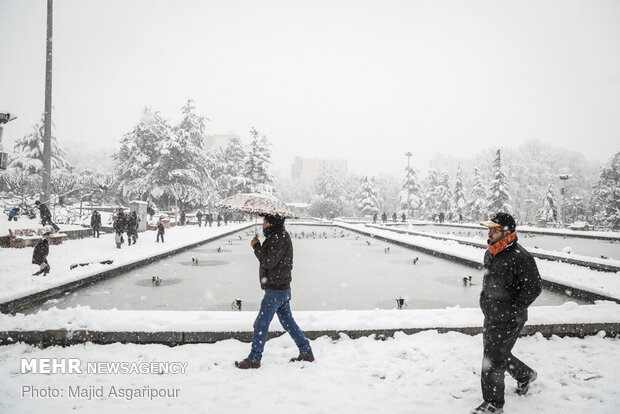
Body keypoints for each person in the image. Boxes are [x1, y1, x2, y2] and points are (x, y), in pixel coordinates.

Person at [473, 212, 542, 414]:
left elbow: (534, 288)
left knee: (492, 358)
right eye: (489, 229)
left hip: (508, 318)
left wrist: (513, 310)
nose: (489, 233)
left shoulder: (521, 258)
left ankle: (494, 404)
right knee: (496, 353)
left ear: (507, 231)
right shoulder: (492, 252)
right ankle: (524, 375)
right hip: (492, 314)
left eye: (494, 230)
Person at [235, 214, 314, 369]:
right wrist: (260, 244)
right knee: (288, 323)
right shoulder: (278, 236)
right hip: (282, 288)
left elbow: (269, 262)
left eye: (265, 221)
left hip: (276, 290)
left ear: (271, 223)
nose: (263, 223)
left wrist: (256, 246)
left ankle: (254, 359)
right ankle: (306, 352)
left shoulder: (278, 237)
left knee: (261, 324)